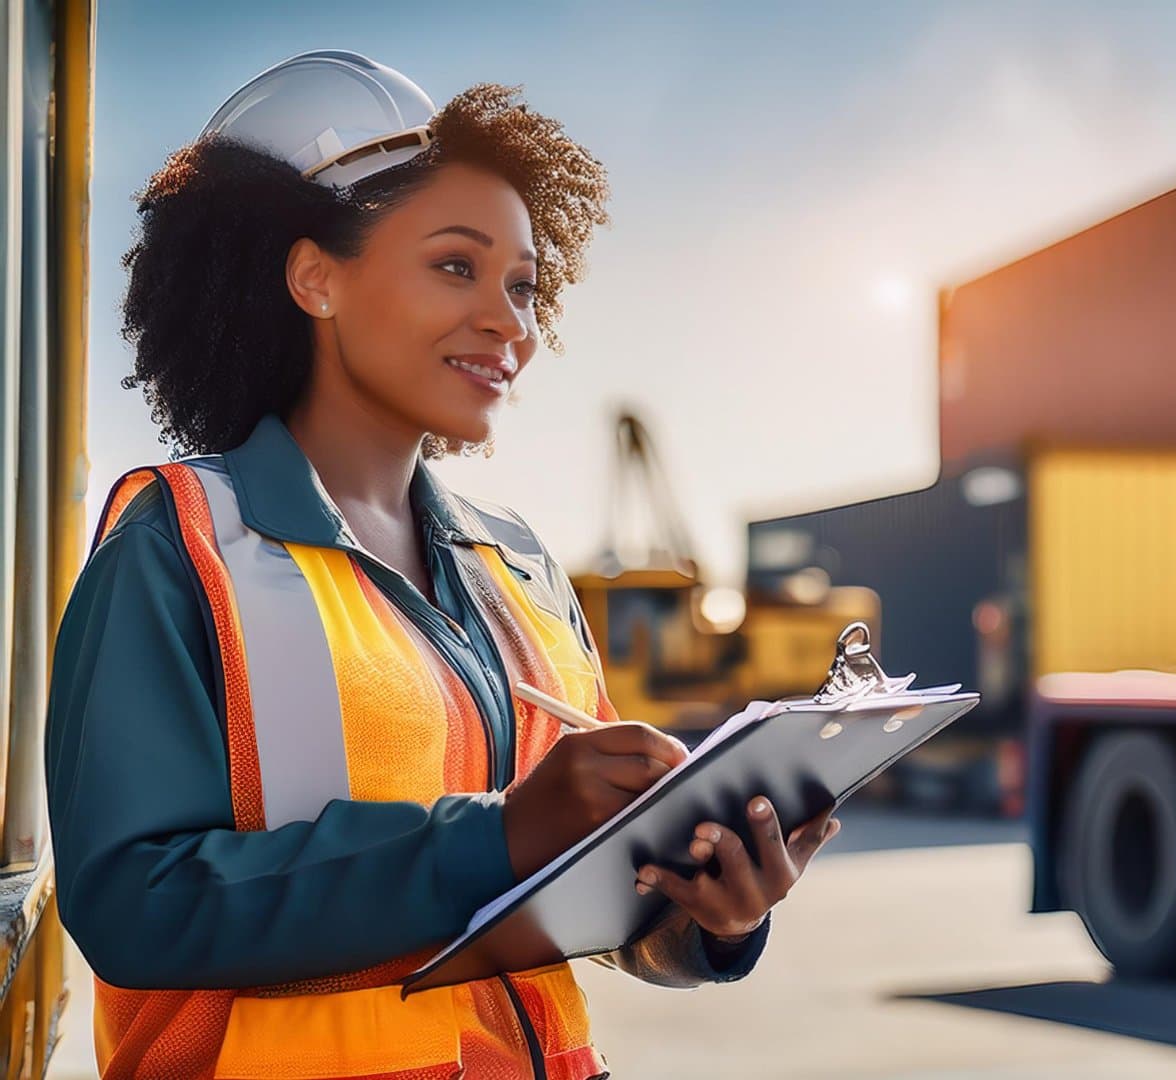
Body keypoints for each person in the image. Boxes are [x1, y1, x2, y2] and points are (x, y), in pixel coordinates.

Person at [45, 50, 836, 1078]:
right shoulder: (178, 547)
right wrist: (494, 838)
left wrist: (706, 915)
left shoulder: (520, 568)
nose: (511, 322)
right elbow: (133, 909)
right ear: (315, 278)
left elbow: (584, 898)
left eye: (523, 285)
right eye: (455, 266)